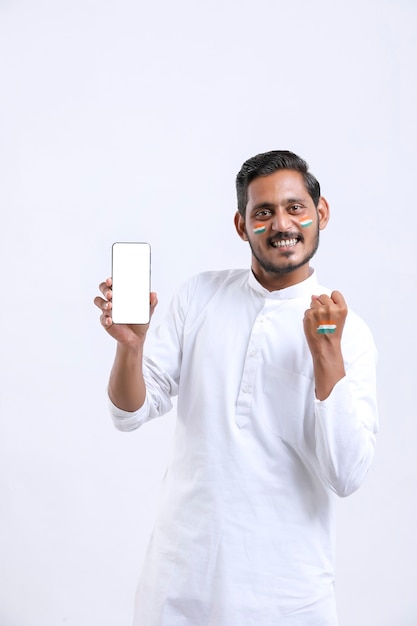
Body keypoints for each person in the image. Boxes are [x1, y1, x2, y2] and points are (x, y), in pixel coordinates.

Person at [94, 150, 378, 626]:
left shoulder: (349, 332)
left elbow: (347, 475)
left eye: (295, 207)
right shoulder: (199, 296)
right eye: (262, 212)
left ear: (320, 213)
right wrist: (130, 346)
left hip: (288, 599)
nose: (282, 223)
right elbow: (128, 413)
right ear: (242, 225)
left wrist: (327, 353)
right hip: (177, 589)